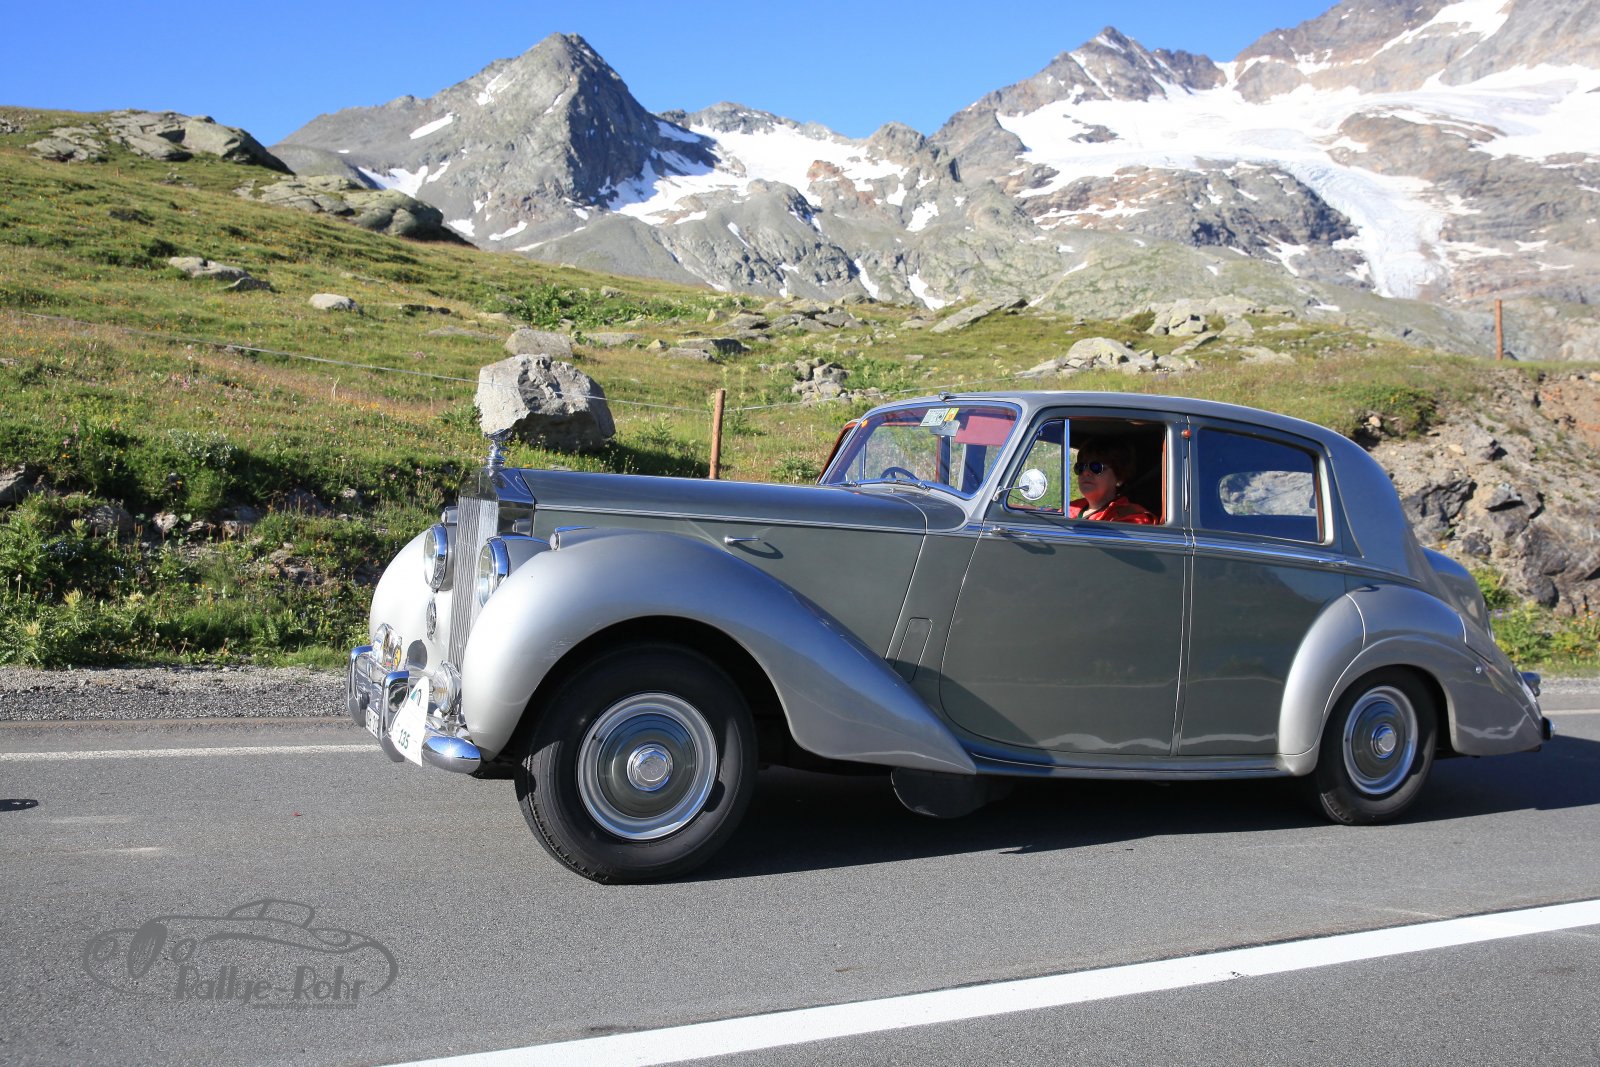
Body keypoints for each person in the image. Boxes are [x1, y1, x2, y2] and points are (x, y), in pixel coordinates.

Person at [1067, 439, 1157, 524]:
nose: (1085, 472)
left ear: (1119, 478)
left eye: (1096, 467)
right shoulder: (1070, 508)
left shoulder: (1132, 517)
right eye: (1081, 466)